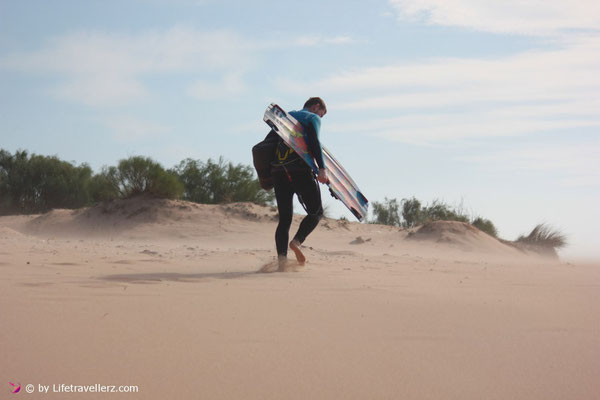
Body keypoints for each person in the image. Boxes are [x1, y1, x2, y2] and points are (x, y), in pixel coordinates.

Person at [271, 97, 329, 271]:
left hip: (278, 171)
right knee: (316, 212)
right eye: (322, 114)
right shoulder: (312, 118)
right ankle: (296, 242)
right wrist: (322, 168)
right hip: (300, 170)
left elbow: (270, 142)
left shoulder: (286, 116)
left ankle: (282, 262)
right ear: (316, 106)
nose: (321, 117)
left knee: (285, 219)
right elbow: (314, 142)